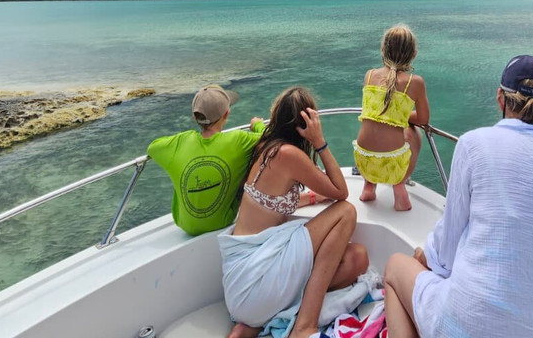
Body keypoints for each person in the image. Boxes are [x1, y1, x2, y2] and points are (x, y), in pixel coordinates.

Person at [382, 55, 533, 338]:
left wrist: (423, 256)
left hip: (471, 326)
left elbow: (446, 252)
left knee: (395, 266)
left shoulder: (474, 144)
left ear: (500, 99)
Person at [218, 87, 369, 338]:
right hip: (257, 280)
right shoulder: (289, 155)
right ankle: (304, 325)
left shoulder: (267, 148)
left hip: (243, 287)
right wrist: (319, 142)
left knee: (357, 258)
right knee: (346, 212)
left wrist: (310, 197)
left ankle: (258, 320)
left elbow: (270, 201)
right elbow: (341, 193)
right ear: (306, 123)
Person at [146, 84, 265, 236]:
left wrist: (180, 139)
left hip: (185, 225)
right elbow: (271, 137)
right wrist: (257, 125)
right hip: (223, 221)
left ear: (194, 117)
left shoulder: (179, 143)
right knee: (250, 160)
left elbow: (152, 147)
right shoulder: (238, 140)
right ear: (226, 114)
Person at [354, 24, 430, 211]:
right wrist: (403, 117)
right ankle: (399, 188)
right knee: (413, 132)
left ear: (382, 49)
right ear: (413, 53)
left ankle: (369, 187)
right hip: (393, 164)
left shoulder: (369, 75)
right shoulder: (415, 82)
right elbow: (423, 119)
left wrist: (394, 115)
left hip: (362, 159)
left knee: (375, 134)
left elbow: (374, 112)